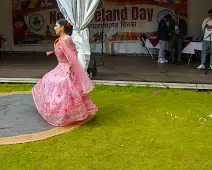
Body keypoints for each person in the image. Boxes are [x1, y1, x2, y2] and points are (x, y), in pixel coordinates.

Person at [32, 19, 98, 126]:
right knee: (46, 80)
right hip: (60, 67)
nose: (54, 28)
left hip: (66, 69)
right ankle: (53, 109)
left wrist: (71, 67)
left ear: (62, 27)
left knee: (60, 84)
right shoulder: (60, 39)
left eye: (56, 26)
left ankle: (64, 112)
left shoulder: (67, 39)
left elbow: (72, 54)